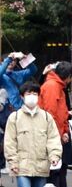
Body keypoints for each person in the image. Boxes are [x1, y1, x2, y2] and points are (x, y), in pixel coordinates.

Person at [4, 82, 62, 187]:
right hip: (21, 164)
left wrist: (54, 155)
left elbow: (53, 138)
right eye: (29, 94)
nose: (32, 97)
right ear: (22, 96)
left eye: (35, 94)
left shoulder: (46, 117)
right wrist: (12, 161)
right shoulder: (14, 118)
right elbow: (10, 142)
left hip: (41, 163)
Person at [39, 60, 72, 187]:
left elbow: (61, 112)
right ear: (67, 76)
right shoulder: (53, 86)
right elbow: (51, 113)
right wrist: (58, 134)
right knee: (53, 168)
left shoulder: (56, 85)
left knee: (56, 168)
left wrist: (65, 130)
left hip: (56, 132)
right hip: (51, 134)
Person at [0, 51, 38, 179]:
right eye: (9, 62)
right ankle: (7, 162)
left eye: (13, 62)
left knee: (22, 136)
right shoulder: (2, 75)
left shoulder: (19, 75)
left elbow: (33, 70)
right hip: (7, 110)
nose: (11, 64)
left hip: (20, 109)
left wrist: (26, 59)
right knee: (8, 137)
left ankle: (22, 161)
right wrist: (8, 59)